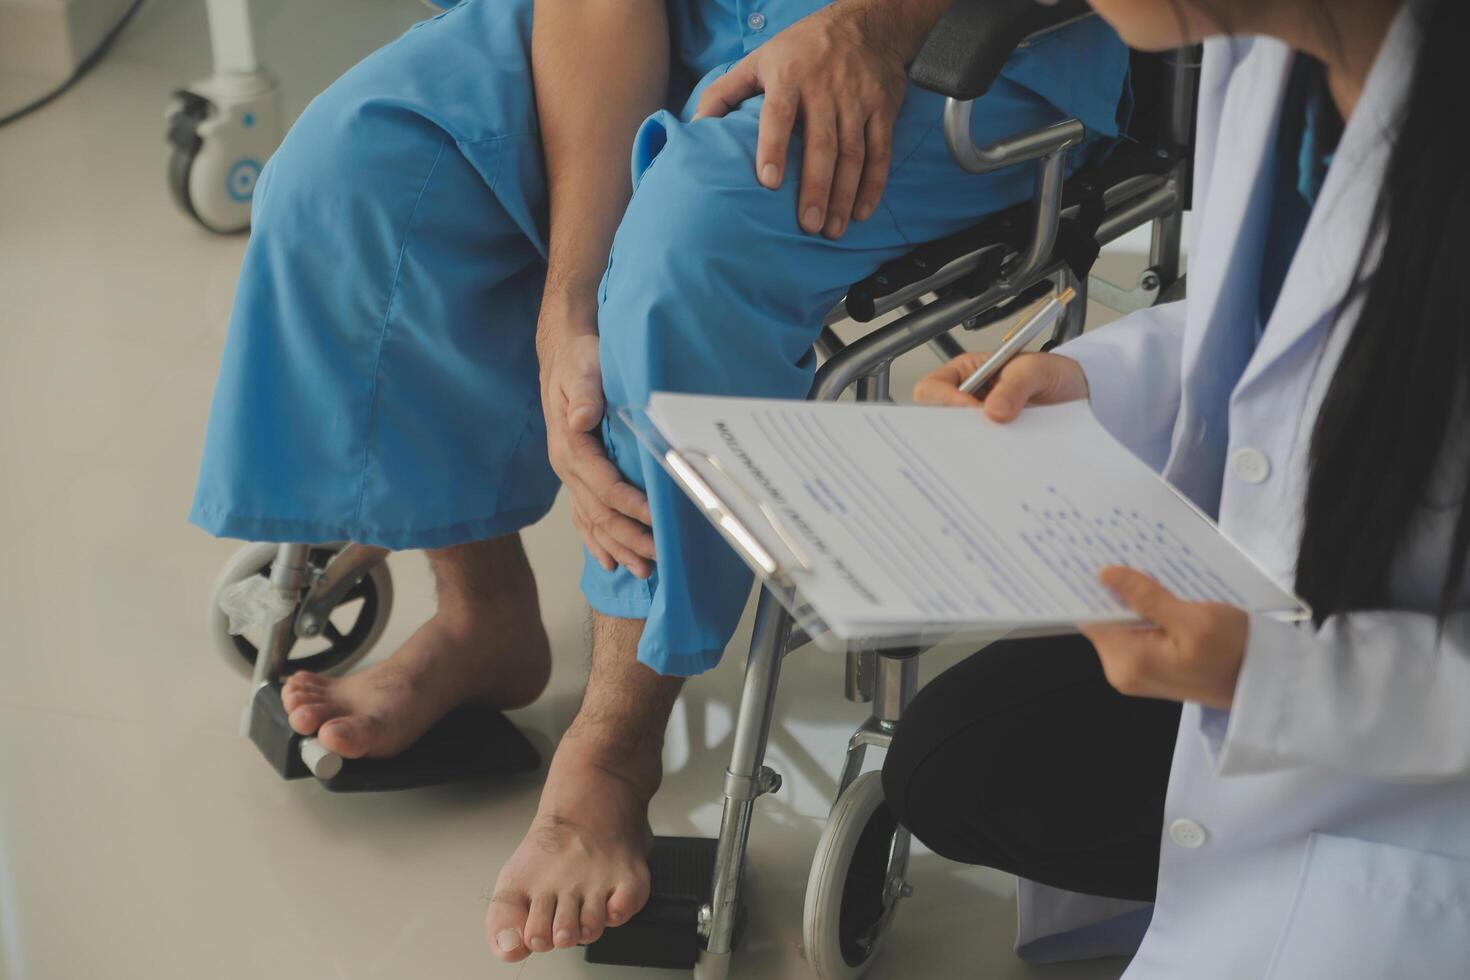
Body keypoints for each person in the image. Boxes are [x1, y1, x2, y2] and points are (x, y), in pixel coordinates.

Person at [188, 0, 1130, 961]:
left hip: (964, 37)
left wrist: (874, 27)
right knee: (357, 167)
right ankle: (483, 615)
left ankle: (614, 748)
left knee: (686, 249)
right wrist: (567, 301)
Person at [883, 0, 1470, 974]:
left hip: (1415, 760)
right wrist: (1084, 380)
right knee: (955, 759)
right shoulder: (1268, 52)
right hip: (1264, 619)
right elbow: (1284, 312)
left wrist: (1271, 677)